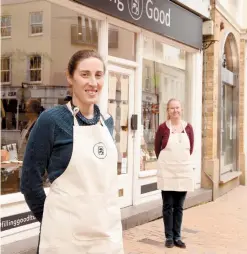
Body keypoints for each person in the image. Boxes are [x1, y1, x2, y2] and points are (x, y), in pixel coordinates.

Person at [20, 50, 124, 254]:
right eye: (85, 74)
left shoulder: (107, 121)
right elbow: (29, 183)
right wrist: (54, 220)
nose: (93, 82)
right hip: (65, 240)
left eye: (98, 75)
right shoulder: (51, 121)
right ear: (70, 77)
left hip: (105, 237)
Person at [154, 98, 194, 249]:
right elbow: (157, 149)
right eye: (172, 108)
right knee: (167, 205)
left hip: (182, 171)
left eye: (177, 108)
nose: (175, 111)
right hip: (167, 172)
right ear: (168, 111)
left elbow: (190, 149)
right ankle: (169, 237)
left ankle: (178, 236)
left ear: (181, 109)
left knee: (179, 207)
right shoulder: (162, 128)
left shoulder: (188, 128)